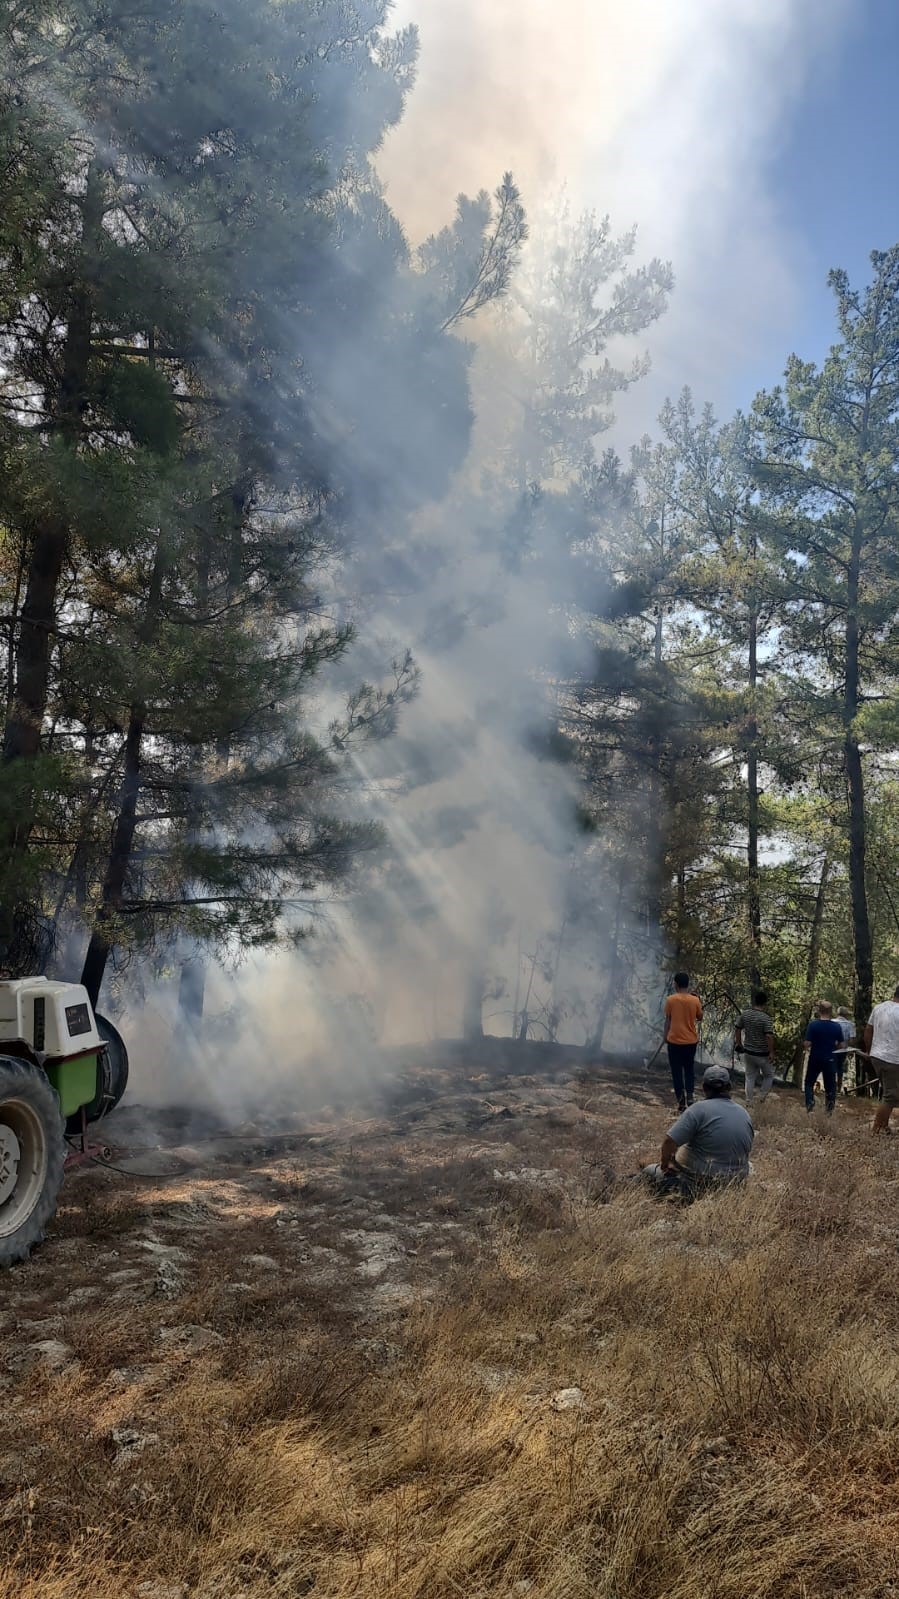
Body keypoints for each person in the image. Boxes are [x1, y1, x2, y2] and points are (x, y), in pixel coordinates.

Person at [641, 1064, 754, 1199]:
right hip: (734, 1185)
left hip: (697, 1185)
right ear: (729, 1087)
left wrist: (665, 1166)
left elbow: (669, 1142)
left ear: (704, 1088)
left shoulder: (699, 1109)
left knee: (648, 1172)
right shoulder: (744, 1113)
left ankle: (619, 1187)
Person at [663, 972, 703, 1112]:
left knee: (676, 1072)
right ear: (687, 984)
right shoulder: (694, 1000)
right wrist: (697, 1000)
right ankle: (691, 1097)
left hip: (674, 1041)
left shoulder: (671, 1000)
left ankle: (681, 1102)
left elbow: (668, 1020)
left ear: (676, 984)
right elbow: (700, 1017)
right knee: (689, 1070)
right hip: (690, 1041)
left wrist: (665, 1036)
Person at [864, 985, 899, 1134]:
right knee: (891, 1096)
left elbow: (868, 1030)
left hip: (877, 1056)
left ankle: (883, 1126)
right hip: (893, 1058)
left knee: (891, 1092)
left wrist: (870, 1050)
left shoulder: (879, 1008)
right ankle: (877, 1128)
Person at [734, 989, 776, 1109]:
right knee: (768, 1075)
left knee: (749, 1076)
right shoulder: (765, 1018)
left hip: (748, 1052)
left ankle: (749, 1101)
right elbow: (768, 1036)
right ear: (765, 1003)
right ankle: (761, 1097)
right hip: (762, 1054)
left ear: (754, 1001)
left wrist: (739, 1044)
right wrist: (771, 1052)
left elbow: (737, 1028)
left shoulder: (745, 1014)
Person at [804, 1000, 843, 1115]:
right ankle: (829, 1111)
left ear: (819, 1011)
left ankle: (810, 1106)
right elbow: (841, 1045)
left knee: (809, 1083)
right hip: (830, 1058)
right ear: (831, 1012)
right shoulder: (836, 1027)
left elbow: (807, 1043)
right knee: (830, 1086)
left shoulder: (813, 1025)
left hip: (815, 1057)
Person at [835, 1006, 855, 1093]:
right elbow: (851, 1039)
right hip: (843, 1049)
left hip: (831, 1048)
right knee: (840, 1067)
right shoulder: (850, 1024)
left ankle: (830, 1086)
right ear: (846, 1014)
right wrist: (850, 1050)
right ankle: (838, 1088)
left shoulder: (831, 1022)